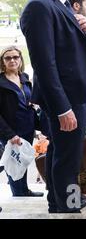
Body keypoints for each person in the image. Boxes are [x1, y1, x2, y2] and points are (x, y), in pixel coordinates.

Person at [20, 0, 86, 213]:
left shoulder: (59, 2)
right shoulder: (39, 6)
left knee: (62, 153)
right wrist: (63, 107)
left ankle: (59, 203)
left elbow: (68, 49)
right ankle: (69, 207)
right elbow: (44, 63)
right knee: (69, 158)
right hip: (65, 98)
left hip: (73, 95)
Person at [0, 46, 44, 197]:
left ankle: (24, 190)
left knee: (23, 160)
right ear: (2, 61)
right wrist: (9, 134)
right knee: (13, 162)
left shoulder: (24, 78)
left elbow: (28, 101)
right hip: (10, 130)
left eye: (15, 57)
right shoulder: (0, 82)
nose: (12, 60)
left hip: (27, 127)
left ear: (20, 59)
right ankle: (19, 194)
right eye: (8, 58)